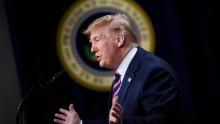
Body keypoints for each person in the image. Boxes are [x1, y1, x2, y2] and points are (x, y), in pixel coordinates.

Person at [54, 13, 180, 124]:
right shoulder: (121, 76)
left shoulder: (154, 71)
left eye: (96, 40)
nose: (92, 49)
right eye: (91, 43)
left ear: (119, 39)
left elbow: (160, 120)